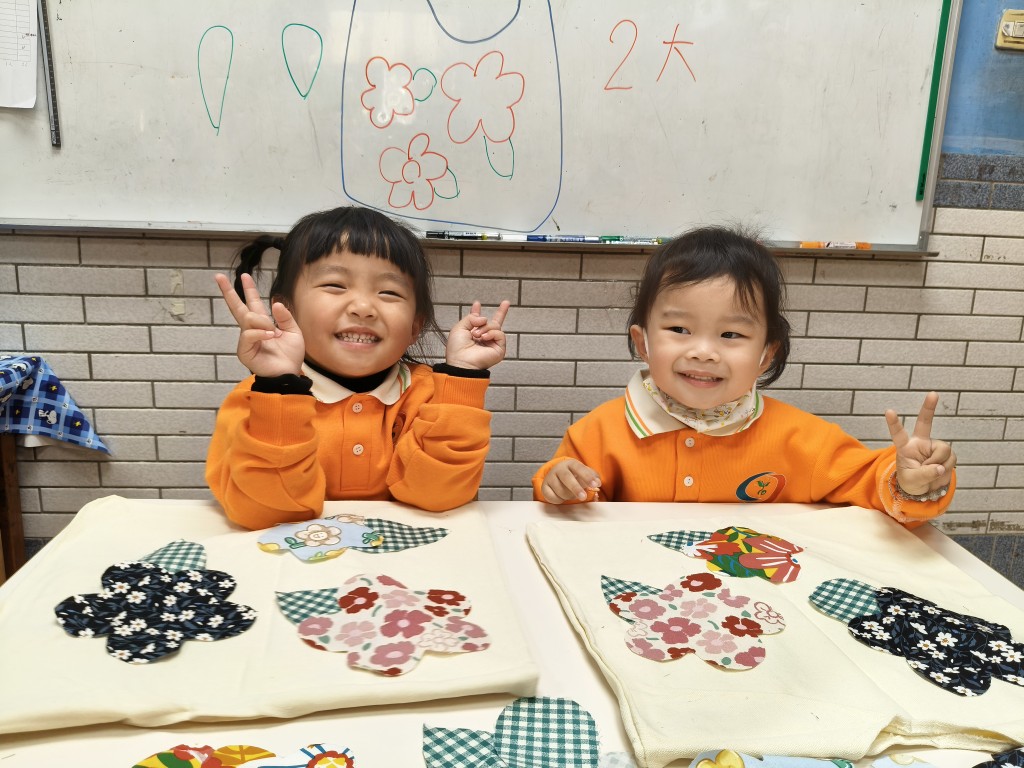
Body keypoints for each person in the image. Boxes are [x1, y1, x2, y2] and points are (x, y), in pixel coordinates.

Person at [533, 226, 956, 524]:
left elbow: (871, 481)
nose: (703, 351)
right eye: (679, 329)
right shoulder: (599, 433)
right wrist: (560, 485)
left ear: (766, 355)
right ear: (643, 343)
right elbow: (568, 507)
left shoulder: (801, 440)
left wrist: (910, 482)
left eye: (731, 334)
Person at [207, 206, 511, 529]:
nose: (364, 307)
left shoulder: (433, 396)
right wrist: (280, 389)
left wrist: (462, 375)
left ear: (415, 326)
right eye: (335, 285)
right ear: (286, 309)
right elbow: (264, 513)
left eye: (389, 292)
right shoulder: (255, 400)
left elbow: (438, 496)